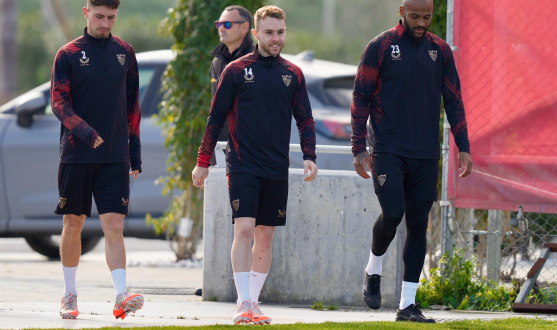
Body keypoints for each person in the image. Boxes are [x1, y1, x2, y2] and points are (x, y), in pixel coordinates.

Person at [192, 5, 318, 325]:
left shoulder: (293, 73)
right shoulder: (234, 71)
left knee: (265, 236)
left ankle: (255, 302)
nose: (275, 39)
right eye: (269, 33)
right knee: (245, 228)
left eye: (280, 33)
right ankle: (243, 302)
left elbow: (305, 119)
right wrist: (202, 162)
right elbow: (215, 117)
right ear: (255, 34)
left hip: (276, 167)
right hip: (242, 163)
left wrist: (309, 156)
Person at [351, 0, 472, 323]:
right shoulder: (381, 46)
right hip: (388, 148)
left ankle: (407, 305)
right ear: (402, 10)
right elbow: (360, 96)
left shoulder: (440, 50)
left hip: (425, 152)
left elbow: (454, 100)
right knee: (393, 213)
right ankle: (373, 268)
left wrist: (463, 145)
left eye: (428, 17)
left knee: (418, 225)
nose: (422, 23)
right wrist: (358, 147)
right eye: (415, 16)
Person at [51, 0, 143, 320]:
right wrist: (86, 132)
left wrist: (135, 153)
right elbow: (59, 103)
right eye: (100, 16)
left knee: (113, 224)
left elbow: (133, 106)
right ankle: (69, 295)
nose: (105, 23)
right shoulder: (68, 54)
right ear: (86, 12)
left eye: (111, 18)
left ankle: (121, 295)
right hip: (77, 154)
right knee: (73, 223)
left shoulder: (125, 53)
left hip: (115, 155)